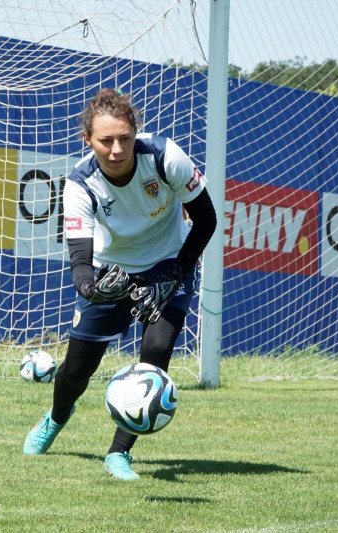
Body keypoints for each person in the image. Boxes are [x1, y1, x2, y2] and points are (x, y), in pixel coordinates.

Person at [22, 88, 217, 481]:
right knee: (77, 371)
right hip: (111, 269)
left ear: (135, 133)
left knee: (157, 349)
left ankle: (119, 453)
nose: (116, 149)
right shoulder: (79, 183)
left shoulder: (165, 157)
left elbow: (207, 220)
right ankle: (57, 417)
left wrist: (176, 271)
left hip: (168, 264)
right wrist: (94, 289)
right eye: (105, 140)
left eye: (124, 138)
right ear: (87, 140)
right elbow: (80, 263)